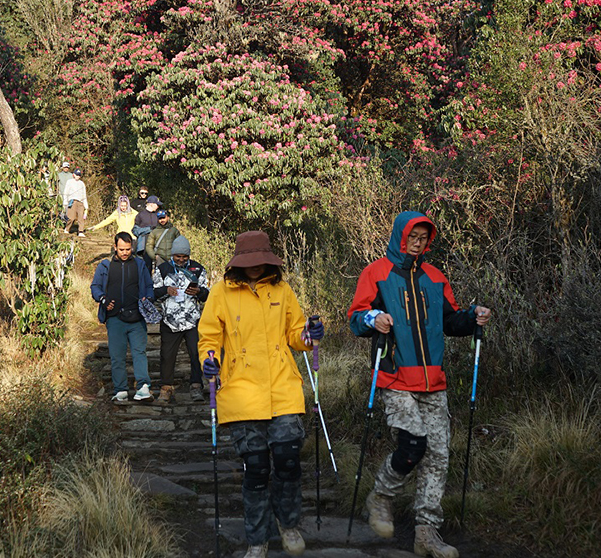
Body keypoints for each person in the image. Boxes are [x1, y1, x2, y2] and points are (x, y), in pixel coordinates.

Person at [347, 211, 492, 558]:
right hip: (395, 377)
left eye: (424, 237)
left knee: (439, 456)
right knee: (413, 445)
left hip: (434, 381)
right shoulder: (377, 273)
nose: (418, 242)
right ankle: (380, 496)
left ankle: (426, 533)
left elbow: (450, 322)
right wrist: (374, 318)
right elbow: (356, 318)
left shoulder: (435, 277)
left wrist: (473, 316)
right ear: (401, 235)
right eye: (413, 236)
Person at [198, 231, 324, 558]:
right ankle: (257, 539)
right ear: (238, 263)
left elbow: (296, 335)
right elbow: (208, 338)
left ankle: (288, 523)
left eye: (260, 261)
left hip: (282, 387)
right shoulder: (221, 293)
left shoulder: (282, 290)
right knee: (256, 469)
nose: (255, 267)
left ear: (269, 259)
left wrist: (309, 335)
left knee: (287, 461)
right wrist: (209, 361)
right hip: (240, 392)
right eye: (248, 262)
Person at [91, 232, 157, 402]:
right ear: (115, 247)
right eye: (121, 249)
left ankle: (143, 387)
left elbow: (149, 286)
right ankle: (120, 390)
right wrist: (103, 299)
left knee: (139, 353)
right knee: (117, 356)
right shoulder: (104, 266)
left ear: (132, 247)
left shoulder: (140, 265)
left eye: (128, 249)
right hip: (114, 319)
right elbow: (95, 287)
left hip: (137, 318)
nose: (125, 252)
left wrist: (148, 298)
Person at [153, 236, 208, 405]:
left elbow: (207, 294)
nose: (181, 259)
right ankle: (166, 388)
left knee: (196, 353)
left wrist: (198, 291)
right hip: (170, 320)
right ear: (172, 254)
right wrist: (165, 290)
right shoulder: (162, 269)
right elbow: (153, 293)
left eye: (184, 256)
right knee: (167, 355)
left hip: (192, 320)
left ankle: (196, 385)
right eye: (178, 256)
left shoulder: (197, 269)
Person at [132, 194, 162, 259]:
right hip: (142, 248)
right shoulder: (140, 215)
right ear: (151, 204)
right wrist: (149, 229)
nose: (158, 207)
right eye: (157, 205)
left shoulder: (158, 215)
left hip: (155, 246)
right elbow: (135, 231)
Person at [62, 168, 88, 237]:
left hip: (80, 202)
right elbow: (66, 192)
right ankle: (67, 229)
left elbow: (84, 195)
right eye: (76, 175)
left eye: (79, 175)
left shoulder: (82, 183)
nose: (78, 176)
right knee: (71, 217)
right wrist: (65, 202)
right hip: (72, 201)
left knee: (81, 218)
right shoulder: (69, 182)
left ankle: (80, 231)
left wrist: (86, 205)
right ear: (73, 175)